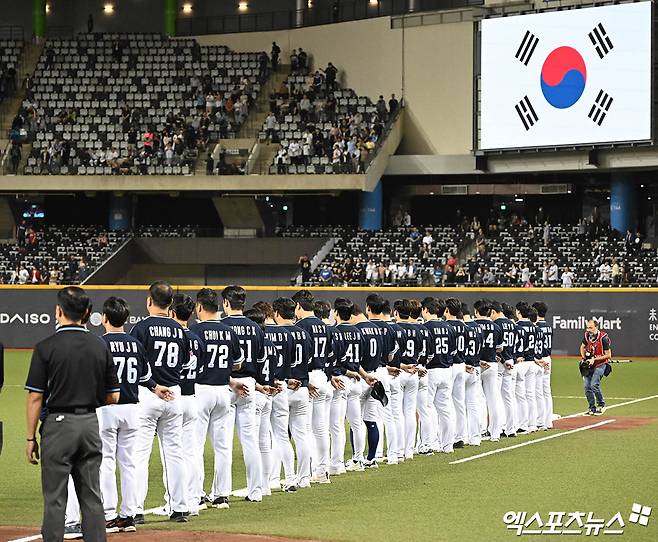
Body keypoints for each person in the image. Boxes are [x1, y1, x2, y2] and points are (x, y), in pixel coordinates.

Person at [25, 286, 120, 542]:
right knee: (92, 497)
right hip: (90, 424)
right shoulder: (100, 346)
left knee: (55, 498)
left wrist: (30, 438)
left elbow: (35, 396)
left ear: (58, 311)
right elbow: (114, 397)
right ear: (88, 312)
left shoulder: (46, 347)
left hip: (58, 426)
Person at [99, 297, 172, 533]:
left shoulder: (99, 344)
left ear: (104, 318)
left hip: (107, 410)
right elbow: (144, 376)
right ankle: (128, 516)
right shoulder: (135, 344)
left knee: (106, 463)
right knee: (129, 463)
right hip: (132, 410)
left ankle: (109, 515)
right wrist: (155, 387)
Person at [129, 281, 190, 524]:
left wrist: (153, 385)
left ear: (149, 301)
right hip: (174, 393)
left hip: (148, 392)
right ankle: (179, 508)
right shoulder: (179, 329)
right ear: (171, 303)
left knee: (139, 454)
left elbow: (134, 363)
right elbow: (186, 364)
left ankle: (135, 510)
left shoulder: (141, 328)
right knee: (175, 453)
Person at [189, 288, 245, 510]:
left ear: (200, 307)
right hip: (223, 391)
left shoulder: (195, 330)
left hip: (201, 390)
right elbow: (238, 363)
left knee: (196, 446)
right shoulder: (228, 331)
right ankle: (221, 495)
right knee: (223, 447)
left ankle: (197, 495)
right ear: (219, 306)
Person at [221, 285, 265, 502]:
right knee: (250, 440)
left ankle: (221, 494)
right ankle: (256, 491)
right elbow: (260, 360)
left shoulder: (221, 326)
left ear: (227, 303)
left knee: (224, 442)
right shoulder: (256, 328)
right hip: (249, 384)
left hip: (227, 383)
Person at [292, 290, 334, 483]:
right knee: (321, 428)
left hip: (308, 379)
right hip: (323, 377)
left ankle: (307, 473)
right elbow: (331, 355)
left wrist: (305, 381)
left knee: (306, 429)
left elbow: (302, 358)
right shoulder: (325, 326)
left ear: (299, 306)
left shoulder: (300, 327)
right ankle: (323, 471)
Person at [580, 319, 612, 416]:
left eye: (590, 327)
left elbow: (608, 355)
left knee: (594, 385)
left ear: (596, 327)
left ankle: (601, 405)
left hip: (600, 364)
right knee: (587, 386)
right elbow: (582, 347)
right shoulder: (586, 335)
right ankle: (591, 408)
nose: (588, 330)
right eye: (587, 327)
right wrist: (584, 358)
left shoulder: (603, 338)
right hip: (589, 365)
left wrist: (595, 359)